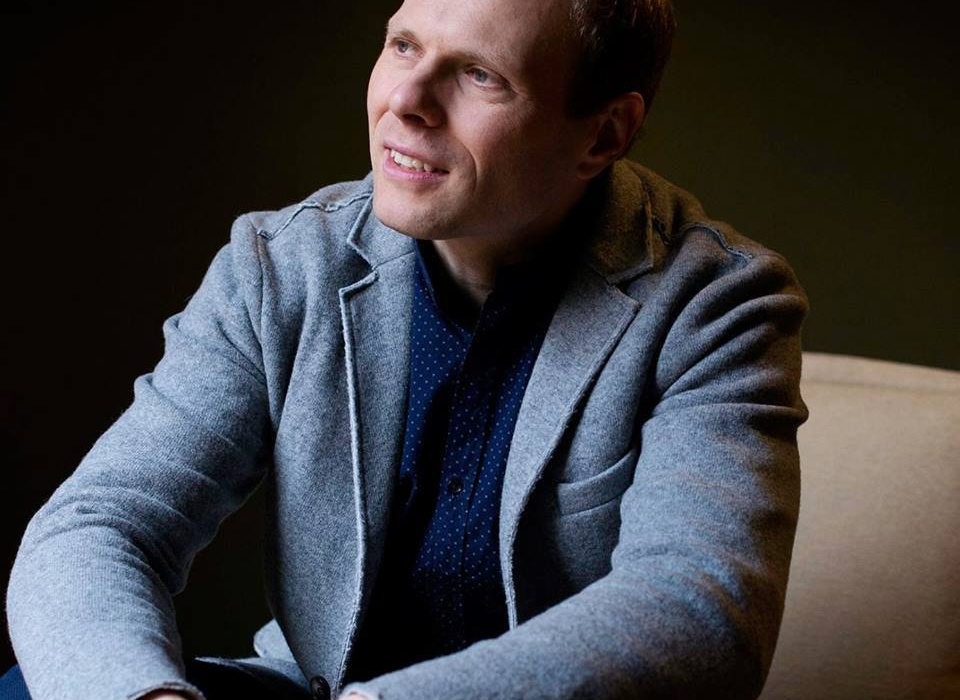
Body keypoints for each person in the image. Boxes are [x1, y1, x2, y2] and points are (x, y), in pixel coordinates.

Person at [3, 0, 809, 698]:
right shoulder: (280, 266)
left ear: (603, 134)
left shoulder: (715, 304)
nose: (406, 101)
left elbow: (702, 611)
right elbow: (100, 525)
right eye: (403, 46)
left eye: (480, 75)